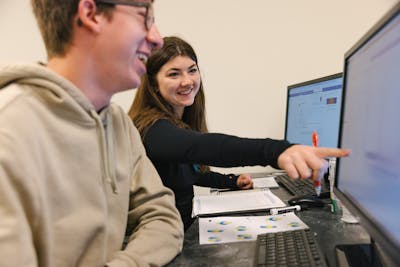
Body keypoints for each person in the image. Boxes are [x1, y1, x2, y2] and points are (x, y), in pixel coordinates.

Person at [0, 1, 183, 266]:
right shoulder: (10, 129)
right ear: (90, 13)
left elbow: (162, 217)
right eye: (144, 16)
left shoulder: (117, 122)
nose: (156, 38)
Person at [128, 36, 350, 231]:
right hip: (161, 242)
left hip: (180, 233)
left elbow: (190, 172)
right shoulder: (152, 129)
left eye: (192, 70)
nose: (187, 81)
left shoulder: (175, 124)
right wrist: (278, 151)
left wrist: (231, 181)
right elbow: (204, 148)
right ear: (154, 84)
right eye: (174, 74)